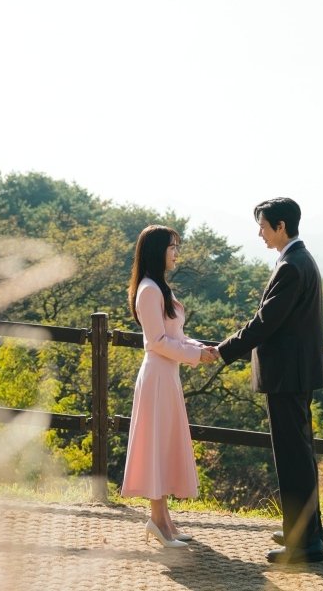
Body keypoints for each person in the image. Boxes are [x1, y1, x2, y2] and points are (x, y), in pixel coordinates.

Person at [209, 197, 323, 564]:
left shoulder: (291, 266)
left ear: (280, 226)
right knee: (300, 455)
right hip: (296, 374)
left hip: (286, 377)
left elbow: (265, 321)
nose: (259, 233)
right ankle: (307, 533)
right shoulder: (300, 260)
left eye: (262, 226)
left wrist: (223, 350)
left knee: (293, 459)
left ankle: (302, 546)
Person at [121, 224, 219, 548]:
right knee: (155, 447)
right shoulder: (149, 290)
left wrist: (200, 349)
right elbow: (157, 341)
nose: (176, 253)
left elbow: (174, 336)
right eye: (172, 247)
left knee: (162, 446)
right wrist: (195, 354)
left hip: (168, 376)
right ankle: (160, 523)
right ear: (157, 251)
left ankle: (165, 523)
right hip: (158, 378)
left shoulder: (160, 288)